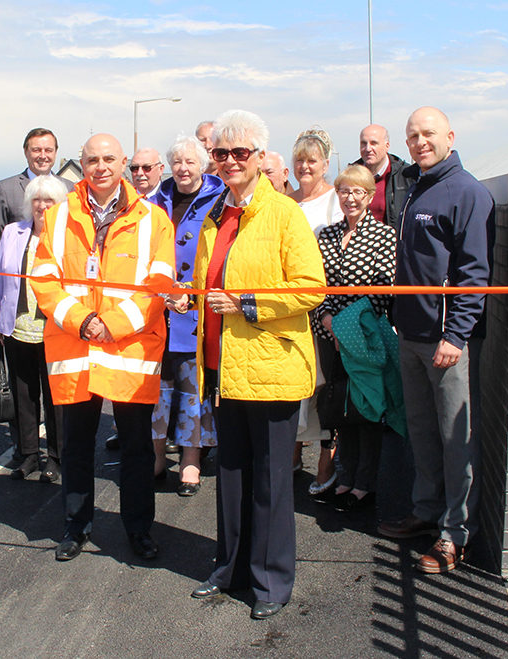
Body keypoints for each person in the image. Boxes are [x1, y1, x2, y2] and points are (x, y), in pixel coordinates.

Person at [182, 110, 325, 620]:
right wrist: (191, 300)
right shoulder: (218, 214)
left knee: (270, 481)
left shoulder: (285, 214)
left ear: (261, 158)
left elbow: (310, 287)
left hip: (271, 368)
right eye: (221, 154)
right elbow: (209, 285)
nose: (229, 162)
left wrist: (245, 303)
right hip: (224, 367)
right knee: (233, 478)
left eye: (240, 153)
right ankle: (230, 568)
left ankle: (271, 582)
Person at [30, 133, 175, 563]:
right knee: (75, 446)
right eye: (92, 160)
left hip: (130, 350)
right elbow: (43, 280)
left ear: (124, 163)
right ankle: (75, 526)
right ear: (82, 164)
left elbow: (159, 286)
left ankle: (138, 529)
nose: (101, 167)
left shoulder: (154, 220)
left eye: (109, 159)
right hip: (75, 350)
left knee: (135, 448)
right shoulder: (57, 217)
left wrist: (110, 324)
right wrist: (84, 321)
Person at [377, 107, 494, 574]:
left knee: (454, 439)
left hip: (446, 344)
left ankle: (455, 534)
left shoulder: (468, 193)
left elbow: (474, 273)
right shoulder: (417, 187)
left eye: (428, 134)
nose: (420, 142)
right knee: (422, 434)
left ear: (450, 135)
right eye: (412, 136)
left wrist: (456, 334)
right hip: (411, 335)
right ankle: (426, 511)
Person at [311, 165, 396, 510]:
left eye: (358, 191)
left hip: (364, 335)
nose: (350, 198)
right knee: (339, 407)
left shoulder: (384, 236)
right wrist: (328, 320)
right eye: (344, 191)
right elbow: (317, 285)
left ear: (369, 195)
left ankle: (365, 482)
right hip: (328, 332)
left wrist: (344, 326)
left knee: (367, 408)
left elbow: (381, 290)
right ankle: (344, 476)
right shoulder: (326, 235)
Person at [151, 135, 224, 495]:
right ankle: (157, 458)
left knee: (192, 389)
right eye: (177, 162)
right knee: (156, 389)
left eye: (190, 162)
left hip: (197, 312)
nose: (183, 168)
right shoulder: (154, 201)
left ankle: (190, 462)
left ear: (202, 165)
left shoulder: (220, 198)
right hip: (158, 311)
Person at [0, 175, 67, 483]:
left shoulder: (68, 236)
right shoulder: (12, 232)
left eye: (49, 200)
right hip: (18, 326)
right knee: (24, 395)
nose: (42, 206)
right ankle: (29, 454)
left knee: (55, 397)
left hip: (55, 330)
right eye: (37, 199)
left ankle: (57, 457)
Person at [289, 127, 343, 493]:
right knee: (295, 386)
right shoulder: (286, 200)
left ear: (325, 163)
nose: (305, 167)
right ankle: (290, 455)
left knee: (325, 387)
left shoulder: (336, 202)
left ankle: (327, 461)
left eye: (312, 160)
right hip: (292, 309)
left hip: (324, 309)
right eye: (299, 161)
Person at [0, 128, 74, 253]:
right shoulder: (6, 189)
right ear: (26, 152)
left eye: (48, 150)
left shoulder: (70, 189)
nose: (43, 156)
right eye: (36, 150)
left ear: (55, 153)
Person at [351, 124, 414, 230]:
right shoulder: (351, 176)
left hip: (393, 244)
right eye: (363, 143)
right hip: (358, 243)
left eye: (374, 143)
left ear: (387, 146)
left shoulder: (406, 176)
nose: (368, 148)